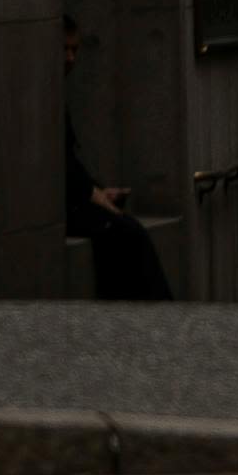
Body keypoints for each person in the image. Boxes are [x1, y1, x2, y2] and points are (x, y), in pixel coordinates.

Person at [62, 22, 170, 301]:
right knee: (126, 232)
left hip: (72, 198)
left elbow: (68, 162)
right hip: (60, 205)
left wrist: (97, 191)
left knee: (127, 231)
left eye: (75, 50)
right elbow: (63, 164)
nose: (71, 58)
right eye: (65, 49)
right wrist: (95, 194)